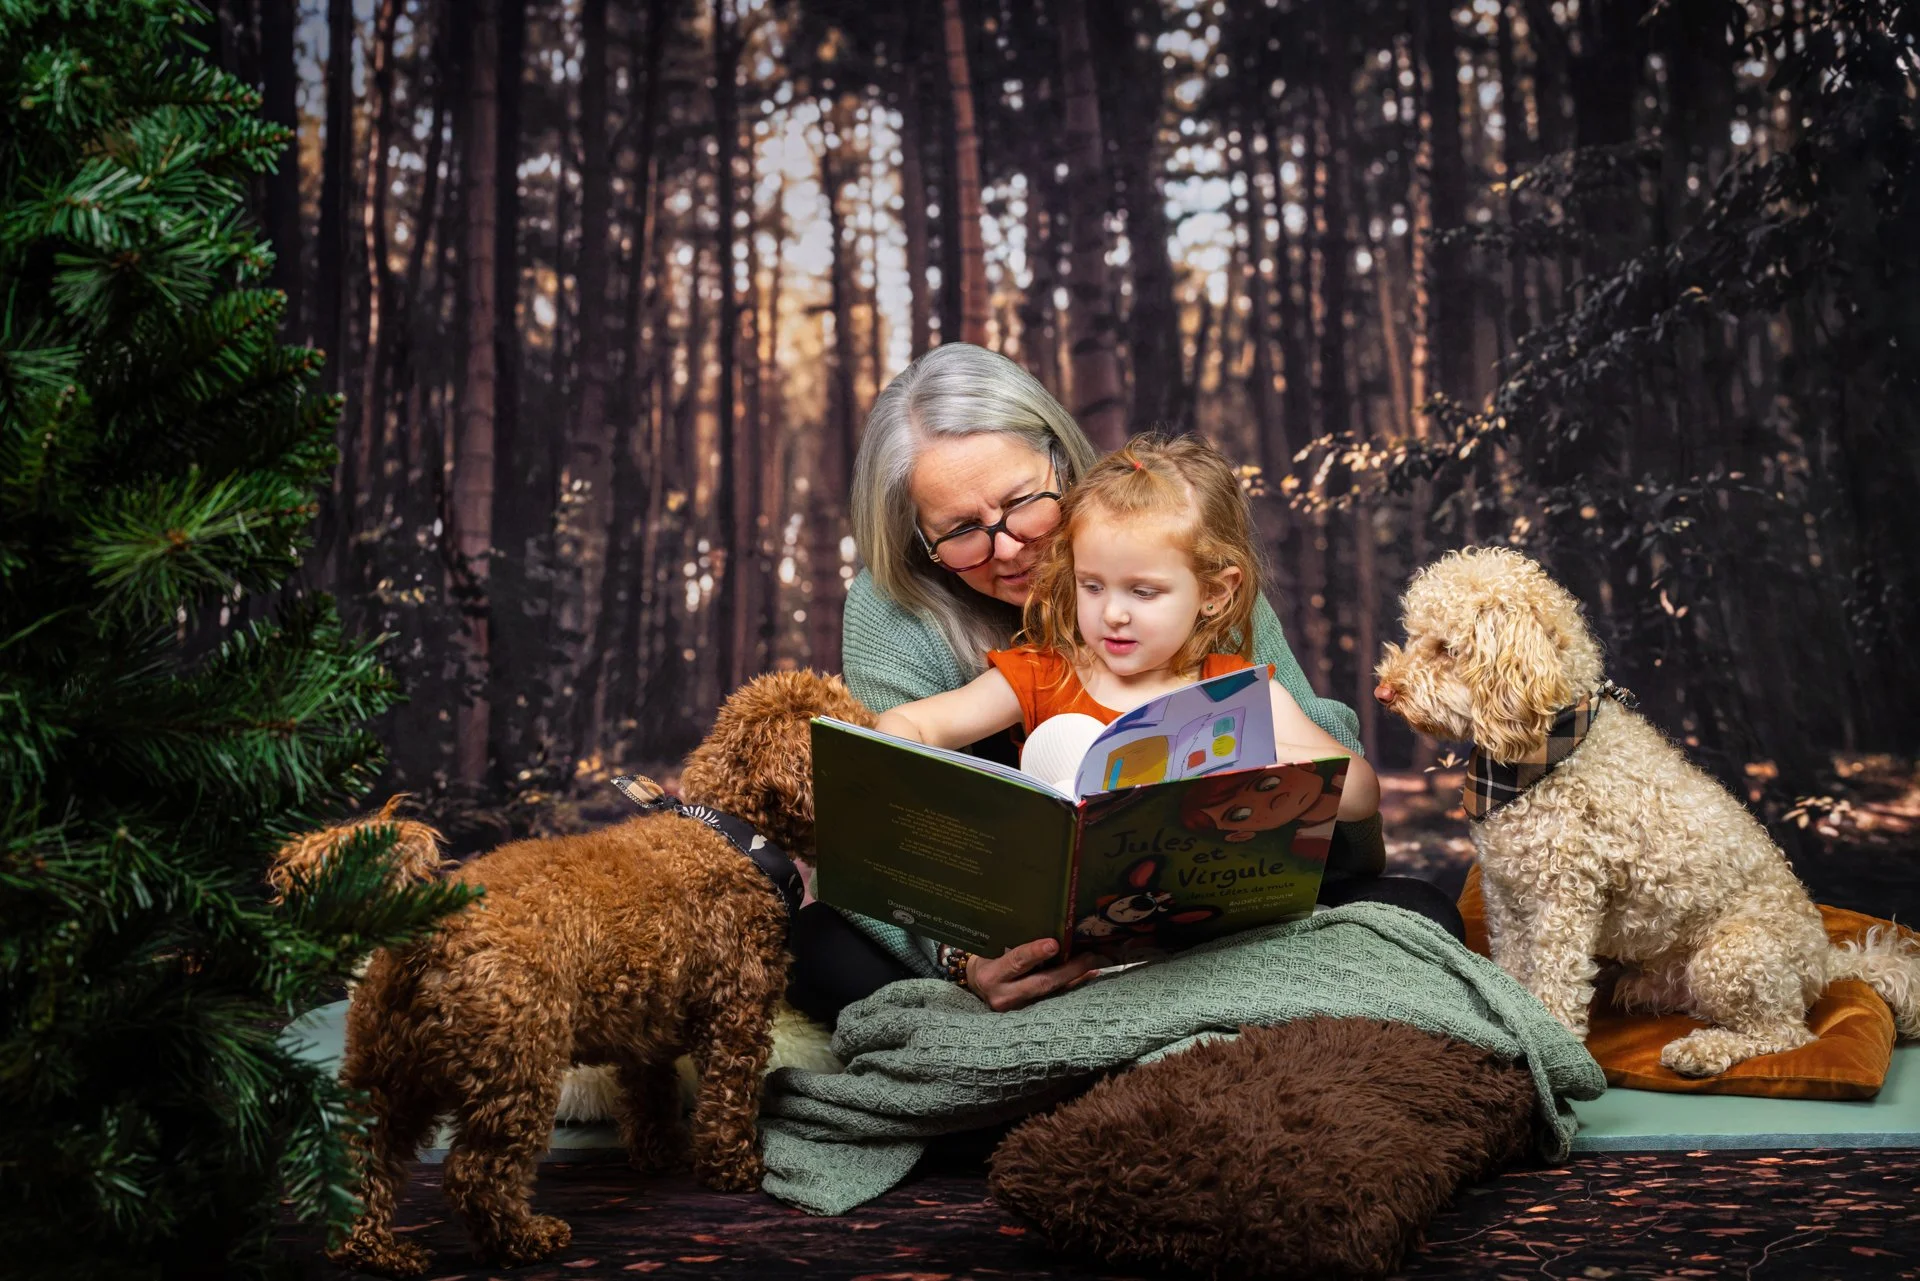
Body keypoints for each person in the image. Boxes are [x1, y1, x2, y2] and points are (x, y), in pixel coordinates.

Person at [784, 343, 1462, 1022]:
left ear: (1060, 459)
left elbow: (1342, 785)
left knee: (1420, 914)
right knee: (818, 949)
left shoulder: (1171, 530)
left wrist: (1262, 772)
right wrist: (963, 959)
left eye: (1023, 502)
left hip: (1211, 908)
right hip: (1012, 922)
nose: (1011, 547)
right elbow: (889, 821)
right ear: (917, 540)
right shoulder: (917, 616)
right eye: (961, 530)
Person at [873, 433, 1382, 831]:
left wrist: (1253, 757)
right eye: (1093, 586)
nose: (1112, 614)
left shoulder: (1239, 695)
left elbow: (1359, 793)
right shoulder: (1044, 673)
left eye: (1143, 592)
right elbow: (910, 725)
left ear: (1215, 593)